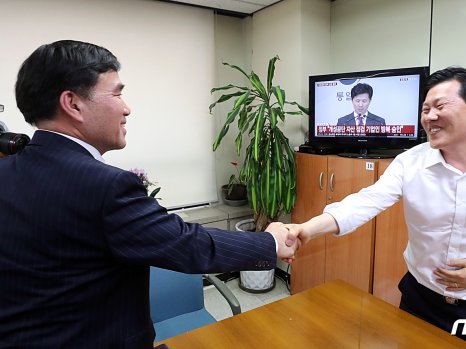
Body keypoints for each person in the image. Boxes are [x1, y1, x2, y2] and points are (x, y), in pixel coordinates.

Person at [0, 40, 299, 349]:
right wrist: (271, 240)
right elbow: (187, 244)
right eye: (116, 93)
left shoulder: (6, 172)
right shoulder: (106, 186)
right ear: (73, 103)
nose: (126, 108)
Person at [288, 67, 466, 349]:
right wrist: (306, 229)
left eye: (440, 106)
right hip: (420, 299)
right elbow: (367, 201)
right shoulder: (410, 162)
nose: (429, 117)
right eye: (425, 109)